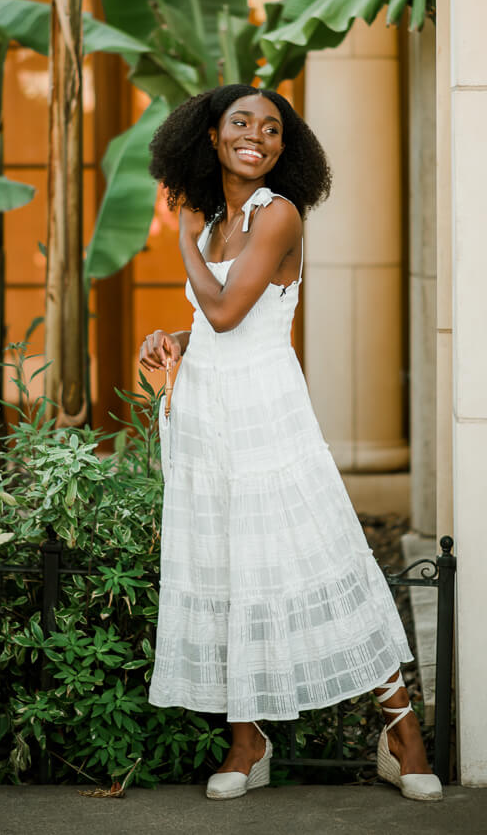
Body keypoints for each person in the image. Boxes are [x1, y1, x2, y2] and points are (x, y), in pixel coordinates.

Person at [139, 84, 442, 802]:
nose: (257, 134)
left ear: (285, 147)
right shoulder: (213, 218)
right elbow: (217, 327)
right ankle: (248, 742)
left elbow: (226, 306)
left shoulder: (278, 214)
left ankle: (403, 737)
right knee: (229, 569)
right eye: (240, 122)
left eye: (272, 127)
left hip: (271, 421)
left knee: (324, 560)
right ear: (209, 136)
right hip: (210, 418)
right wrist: (172, 338)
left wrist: (179, 233)